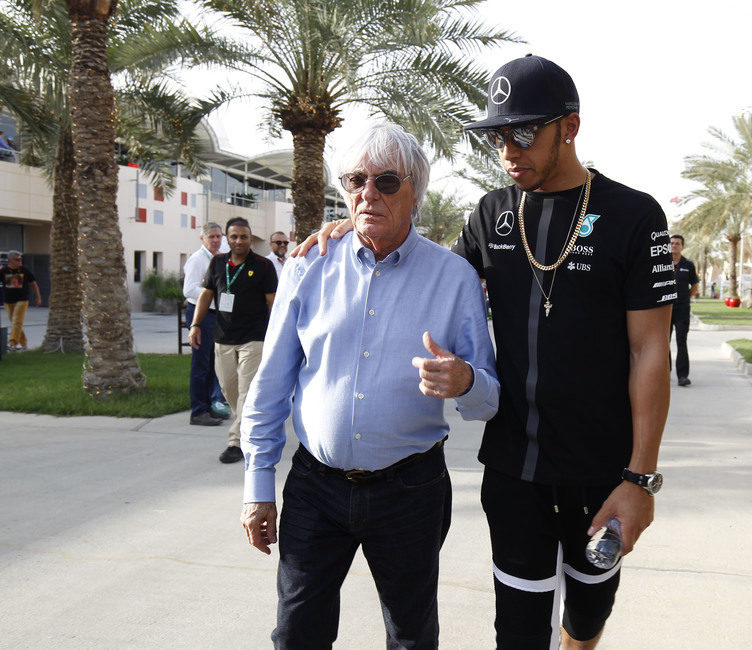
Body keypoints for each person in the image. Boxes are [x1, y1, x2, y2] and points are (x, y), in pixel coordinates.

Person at [301, 54, 672, 649]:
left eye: (524, 133)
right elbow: (429, 270)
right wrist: (358, 225)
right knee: (518, 633)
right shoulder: (492, 213)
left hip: (601, 471)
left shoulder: (634, 216)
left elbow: (649, 352)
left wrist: (639, 479)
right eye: (497, 136)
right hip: (513, 470)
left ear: (569, 127)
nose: (508, 150)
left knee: (587, 615)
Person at [240, 123, 499, 648]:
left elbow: (488, 400)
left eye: (385, 181)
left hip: (411, 491)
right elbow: (272, 381)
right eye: (355, 180)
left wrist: (465, 379)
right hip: (315, 486)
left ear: (415, 192)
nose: (367, 194)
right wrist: (257, 485)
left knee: (411, 635)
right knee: (296, 635)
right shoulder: (308, 264)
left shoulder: (454, 279)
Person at [189, 217, 276, 464]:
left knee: (246, 392)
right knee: (229, 389)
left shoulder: (263, 266)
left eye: (244, 236)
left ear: (250, 238)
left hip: (254, 338)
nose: (239, 241)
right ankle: (255, 427)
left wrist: (276, 334)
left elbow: (273, 302)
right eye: (234, 236)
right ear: (228, 238)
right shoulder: (217, 263)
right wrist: (195, 324)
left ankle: (235, 442)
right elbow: (206, 295)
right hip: (223, 338)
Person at [183, 222, 231, 426]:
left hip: (216, 315)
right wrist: (212, 296)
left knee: (214, 363)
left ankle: (210, 406)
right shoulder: (197, 260)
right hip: (201, 315)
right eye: (211, 237)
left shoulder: (220, 259)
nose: (216, 240)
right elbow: (189, 290)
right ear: (203, 238)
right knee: (201, 364)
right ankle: (198, 410)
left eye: (219, 237)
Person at [670, 234, 698, 387]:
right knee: (662, 342)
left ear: (682, 246)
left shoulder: (688, 264)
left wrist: (686, 297)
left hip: (682, 309)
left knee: (681, 342)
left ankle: (682, 376)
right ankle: (663, 371)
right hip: (665, 309)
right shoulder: (662, 263)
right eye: (672, 243)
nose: (674, 245)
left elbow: (694, 285)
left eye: (677, 243)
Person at [1, 251, 42, 351]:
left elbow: (34, 284)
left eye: (21, 259)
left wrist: (38, 297)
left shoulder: (24, 270)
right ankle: (23, 344)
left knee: (17, 321)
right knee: (15, 322)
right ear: (10, 260)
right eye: (17, 259)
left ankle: (12, 343)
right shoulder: (4, 271)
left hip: (22, 299)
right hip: (8, 300)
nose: (20, 261)